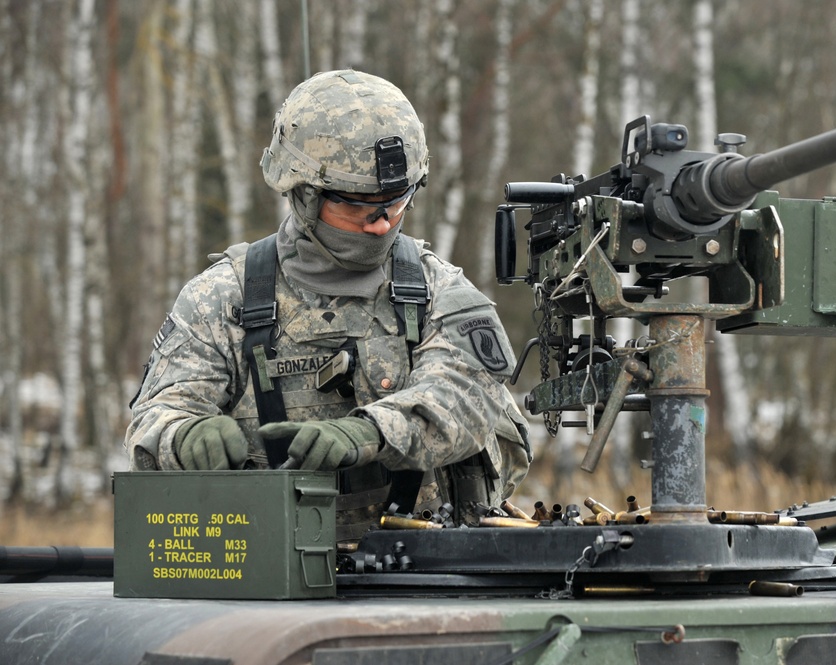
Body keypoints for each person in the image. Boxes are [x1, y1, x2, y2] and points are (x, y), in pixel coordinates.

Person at [125, 70, 531, 540]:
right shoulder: (223, 298)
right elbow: (155, 420)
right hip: (273, 570)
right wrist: (184, 436)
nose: (381, 225)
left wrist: (372, 433)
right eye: (360, 207)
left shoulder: (440, 291)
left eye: (395, 204)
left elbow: (467, 396)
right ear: (304, 195)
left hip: (435, 571)